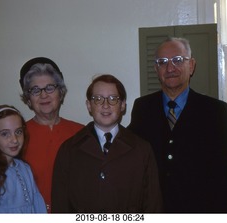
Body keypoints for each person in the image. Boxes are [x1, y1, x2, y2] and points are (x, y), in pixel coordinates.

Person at [127, 37, 227, 213]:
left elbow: (226, 175)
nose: (170, 68)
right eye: (162, 62)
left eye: (178, 60)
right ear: (156, 69)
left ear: (191, 65)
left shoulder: (215, 111)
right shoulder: (142, 108)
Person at [50, 74, 163, 213]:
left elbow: (153, 204)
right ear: (89, 105)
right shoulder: (69, 149)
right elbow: (60, 206)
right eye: (98, 99)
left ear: (122, 105)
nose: (105, 105)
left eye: (113, 99)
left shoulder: (142, 149)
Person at [19, 57, 84, 212]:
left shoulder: (81, 133)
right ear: (28, 99)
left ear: (60, 93)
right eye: (35, 90)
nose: (43, 95)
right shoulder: (17, 136)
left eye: (50, 88)